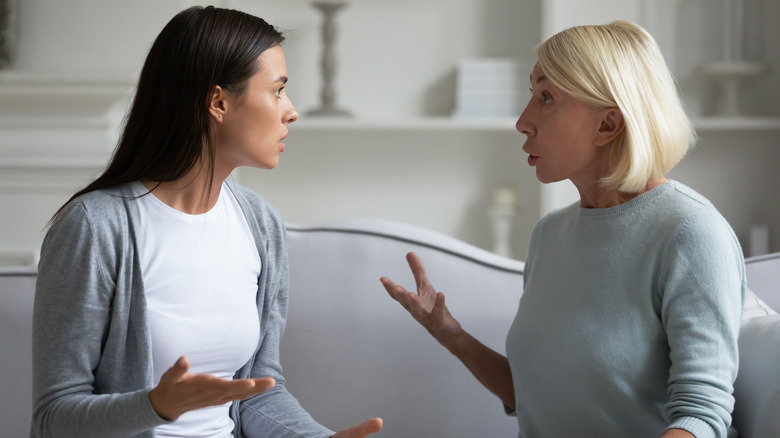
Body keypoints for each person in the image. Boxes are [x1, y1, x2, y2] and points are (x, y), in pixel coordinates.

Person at [381, 20, 744, 438]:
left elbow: (701, 416)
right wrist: (452, 335)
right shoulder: (550, 235)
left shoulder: (690, 232)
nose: (522, 121)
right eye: (531, 95)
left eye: (546, 98)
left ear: (607, 125)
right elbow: (535, 396)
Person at [31, 6, 382, 438]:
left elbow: (258, 392)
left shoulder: (260, 224)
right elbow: (53, 419)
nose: (291, 111)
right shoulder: (95, 227)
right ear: (218, 102)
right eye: (277, 91)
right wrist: (154, 407)